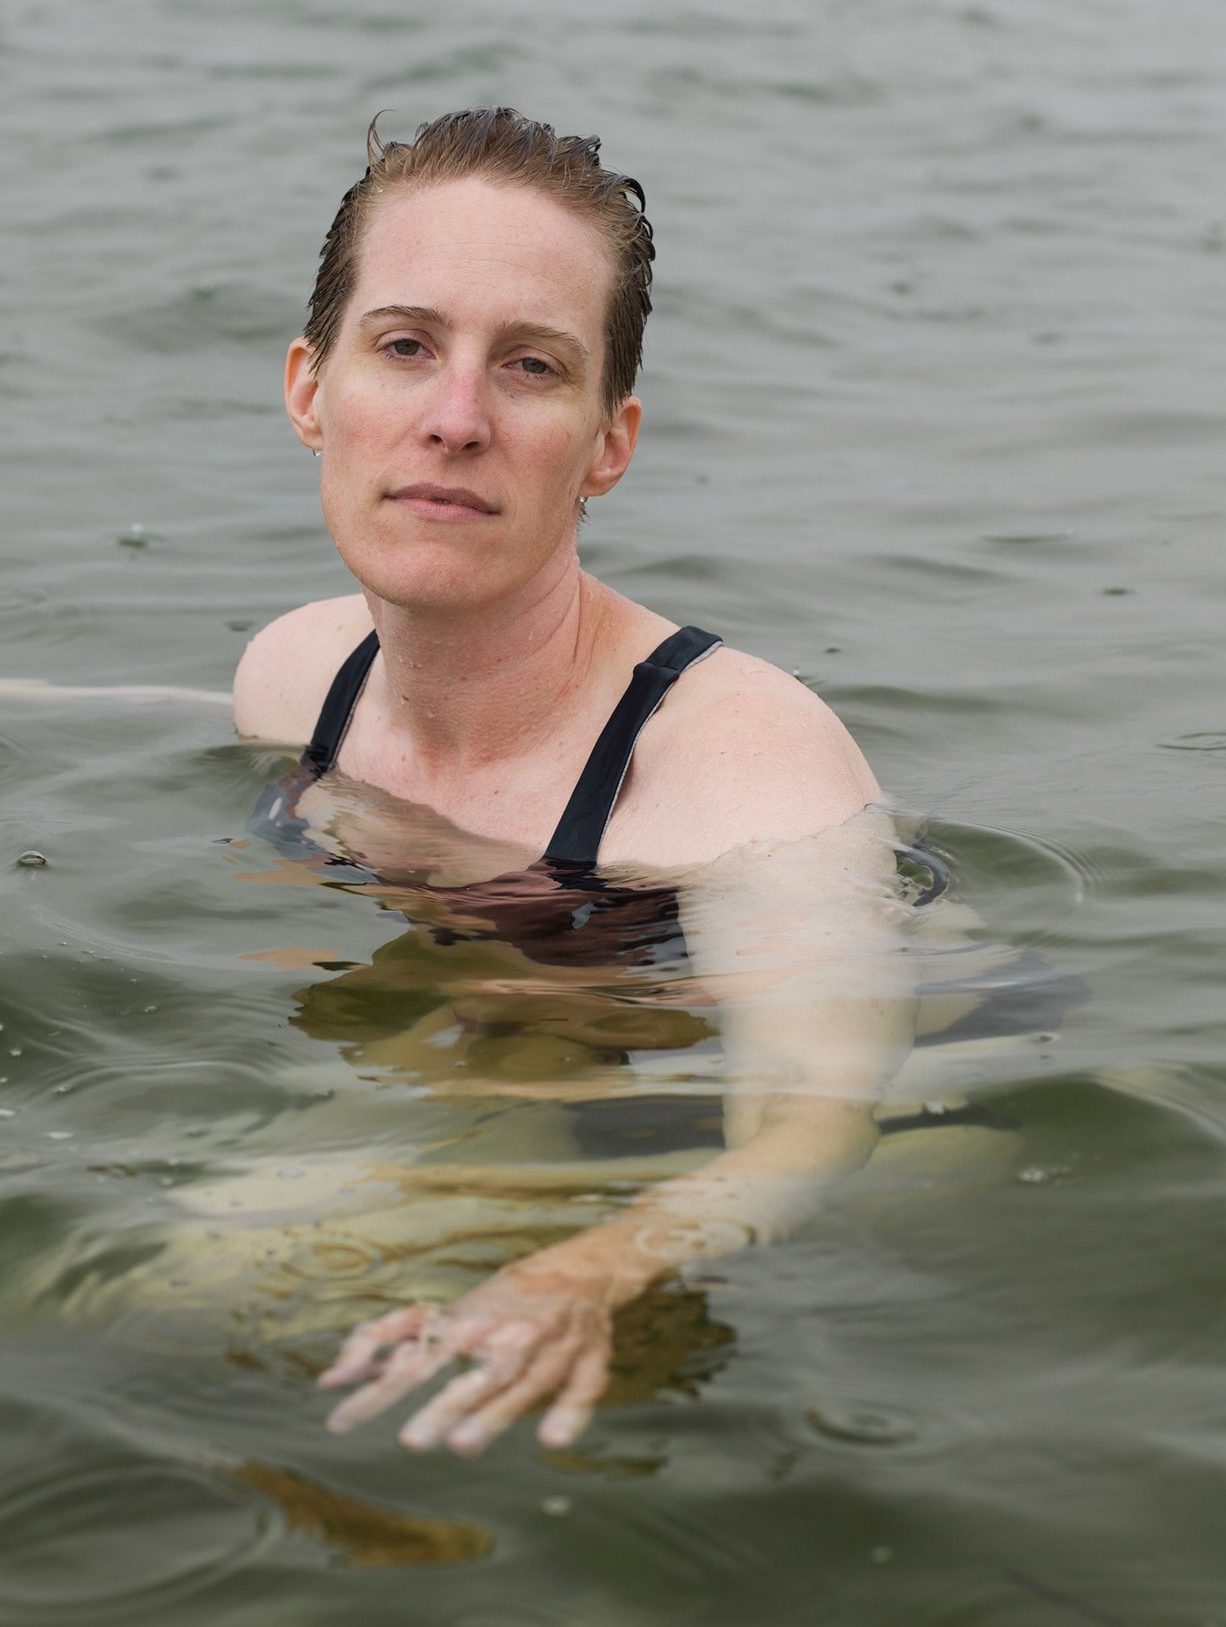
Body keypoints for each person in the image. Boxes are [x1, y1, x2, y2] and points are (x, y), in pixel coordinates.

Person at [231, 109, 964, 1457]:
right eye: (405, 346)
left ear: (608, 444)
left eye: (530, 367)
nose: (455, 421)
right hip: (544, 1060)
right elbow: (169, 723)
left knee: (194, 1287)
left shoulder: (741, 769)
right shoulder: (296, 679)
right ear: (308, 388)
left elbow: (814, 1117)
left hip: (923, 1091)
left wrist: (587, 1273)